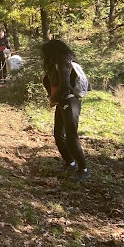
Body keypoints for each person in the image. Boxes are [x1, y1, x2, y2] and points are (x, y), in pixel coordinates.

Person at [42, 39, 90, 182]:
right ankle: (70, 163)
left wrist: (53, 99)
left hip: (70, 102)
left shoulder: (64, 64)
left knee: (70, 136)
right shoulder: (56, 65)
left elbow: (65, 86)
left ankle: (84, 169)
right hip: (63, 102)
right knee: (58, 134)